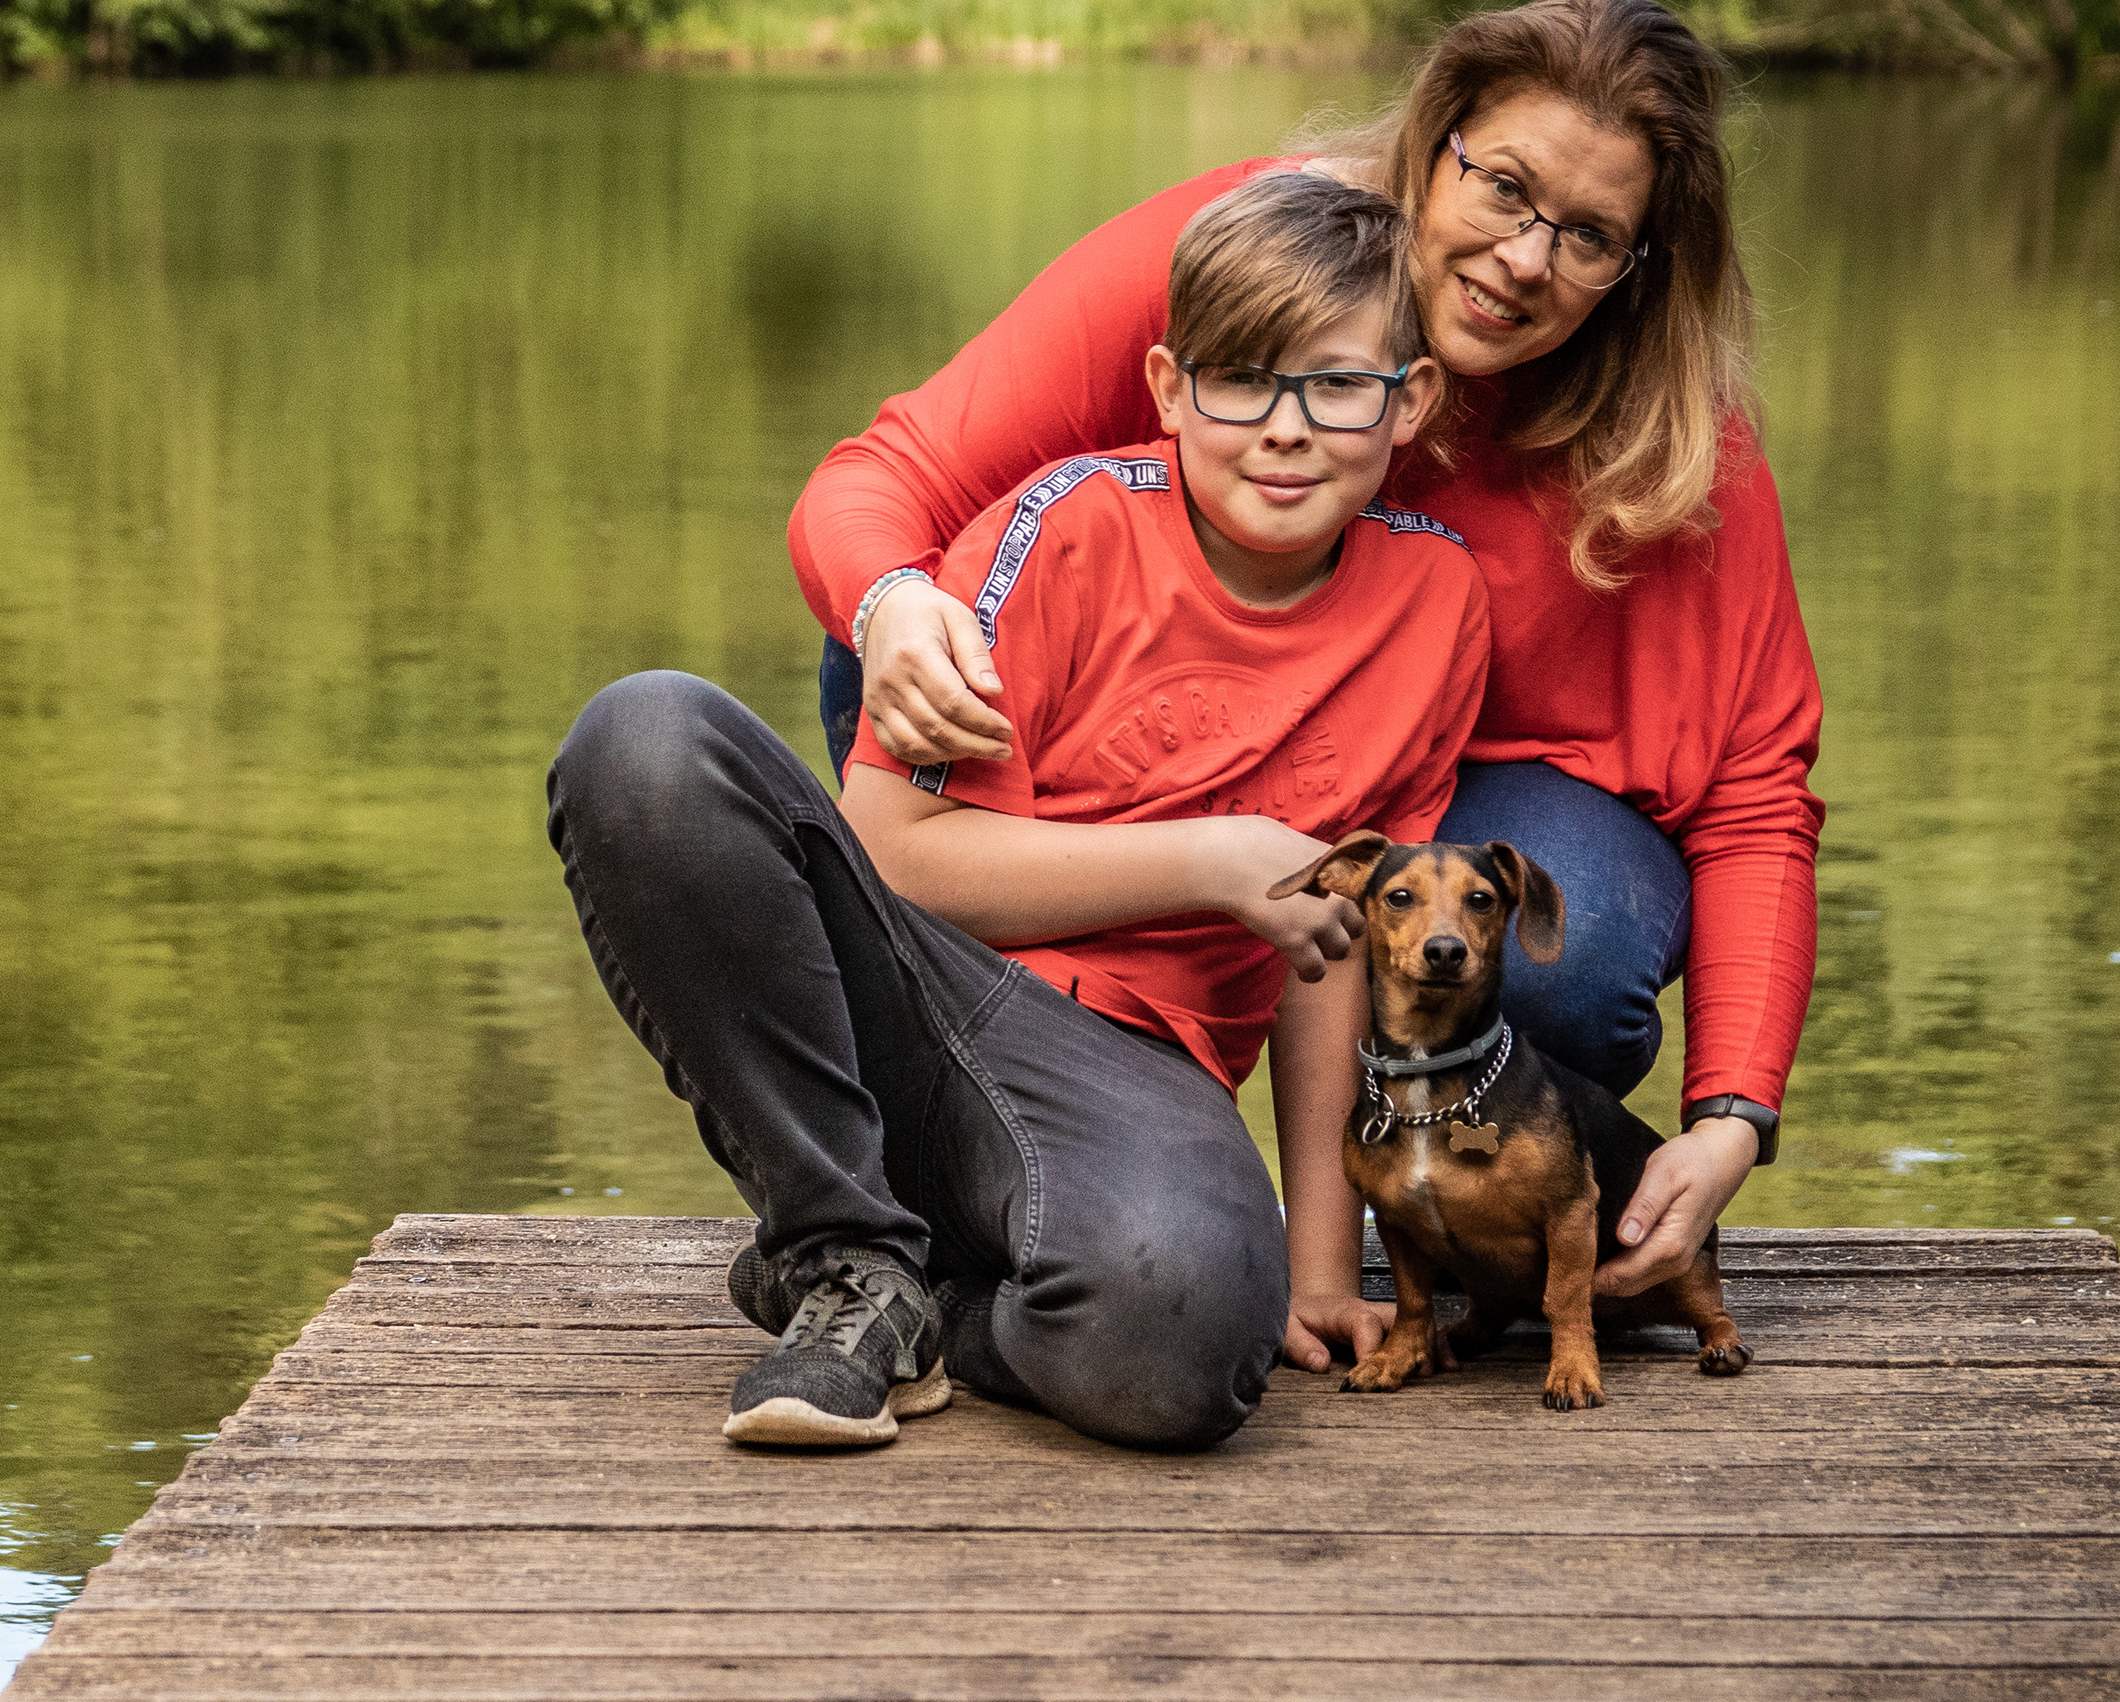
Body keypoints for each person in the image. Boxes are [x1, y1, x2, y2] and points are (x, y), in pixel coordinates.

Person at [793, 0, 1822, 1301]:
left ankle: (1422, 1196)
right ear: (1438, 139)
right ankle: (1019, 1099)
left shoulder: (1677, 438)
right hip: (1145, 737)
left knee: (1574, 944)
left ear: (1640, 266)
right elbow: (886, 476)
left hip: (1423, 792)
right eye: (1505, 188)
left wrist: (1732, 1112)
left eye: (1588, 236)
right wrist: (891, 603)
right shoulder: (1247, 257)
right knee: (906, 634)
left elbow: (1756, 794)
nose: (1526, 258)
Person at [547, 175, 1485, 1454]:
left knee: (1191, 1338)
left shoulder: (1437, 603)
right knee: (648, 739)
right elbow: (895, 854)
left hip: (1134, 1078)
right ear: (1167, 387)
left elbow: (1334, 950)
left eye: (1335, 386)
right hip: (926, 1001)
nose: (1285, 428)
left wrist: (1321, 1268)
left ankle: (938, 1307)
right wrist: (1212, 858)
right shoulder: (1060, 531)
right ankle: (842, 1251)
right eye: (1239, 381)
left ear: (1410, 400)